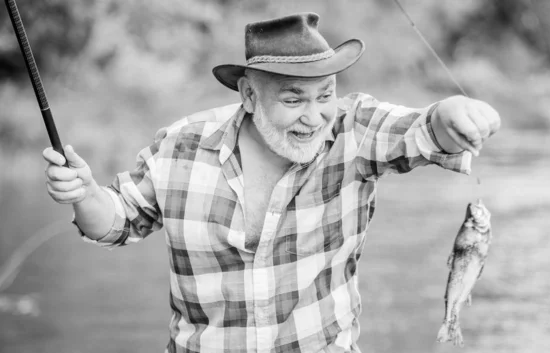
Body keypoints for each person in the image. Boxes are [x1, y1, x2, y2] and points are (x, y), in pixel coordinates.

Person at [42, 12, 500, 353]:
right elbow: (116, 222)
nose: (315, 115)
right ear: (247, 95)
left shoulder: (353, 130)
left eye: (326, 94)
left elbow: (423, 131)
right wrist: (84, 194)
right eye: (293, 98)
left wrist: (452, 113)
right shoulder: (180, 147)